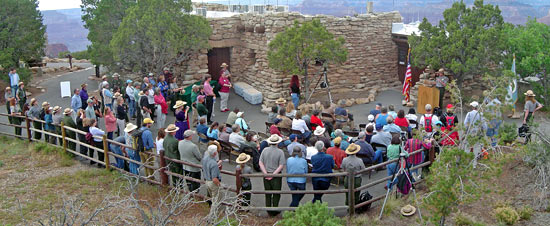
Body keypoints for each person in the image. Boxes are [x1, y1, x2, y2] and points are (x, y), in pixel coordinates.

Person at [259, 134, 286, 216]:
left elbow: (260, 163)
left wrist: (265, 173)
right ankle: (274, 209)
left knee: (267, 193)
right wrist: (273, 175)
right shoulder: (280, 152)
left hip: (266, 174)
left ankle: (268, 209)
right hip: (276, 176)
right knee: (276, 193)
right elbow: (281, 165)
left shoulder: (264, 150)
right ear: (277, 143)